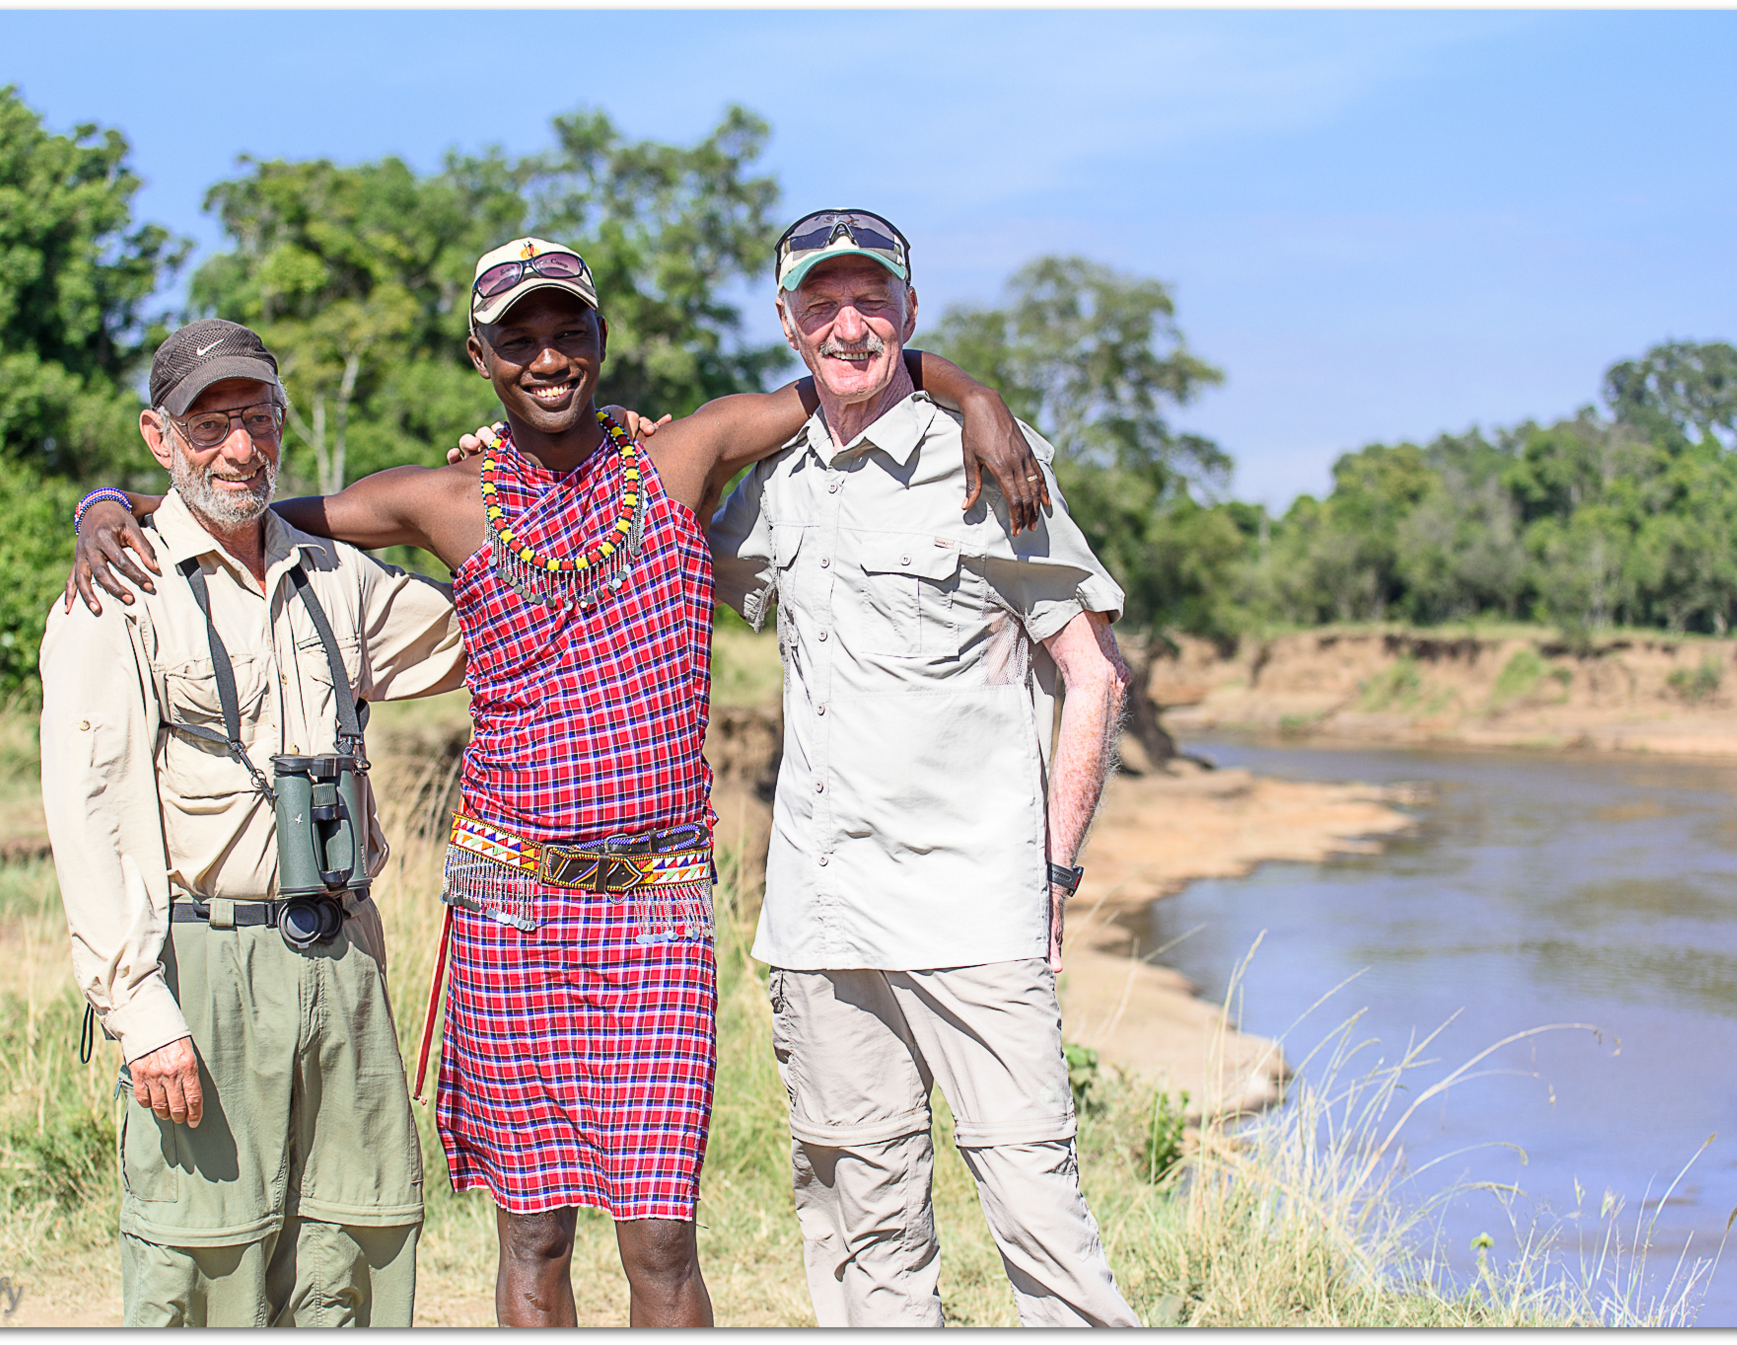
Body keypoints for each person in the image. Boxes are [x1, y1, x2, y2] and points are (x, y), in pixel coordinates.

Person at [62, 237, 1045, 1327]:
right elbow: (234, 507)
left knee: (661, 1237)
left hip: (657, 907)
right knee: (532, 1231)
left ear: (599, 341)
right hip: (506, 907)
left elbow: (841, 370)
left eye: (565, 333)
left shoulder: (679, 459)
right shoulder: (442, 500)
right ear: (479, 355)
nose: (545, 359)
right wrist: (103, 505)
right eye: (517, 340)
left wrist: (975, 395)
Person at [707, 209, 1143, 1327]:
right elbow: (658, 551)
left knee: (1041, 1224)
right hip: (822, 921)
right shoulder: (772, 481)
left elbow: (1092, 677)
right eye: (821, 302)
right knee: (864, 1229)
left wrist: (1051, 879)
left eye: (869, 301)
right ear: (787, 320)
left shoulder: (985, 456)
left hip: (972, 915)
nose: (846, 325)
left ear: (909, 311)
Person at [39, 318, 466, 1326]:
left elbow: (494, 625)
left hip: (345, 955)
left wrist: (564, 467)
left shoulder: (336, 574)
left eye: (255, 418)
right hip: (204, 962)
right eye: (207, 425)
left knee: (353, 1253)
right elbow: (88, 814)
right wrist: (140, 1017)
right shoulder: (121, 586)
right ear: (157, 435)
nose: (239, 449)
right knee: (202, 1263)